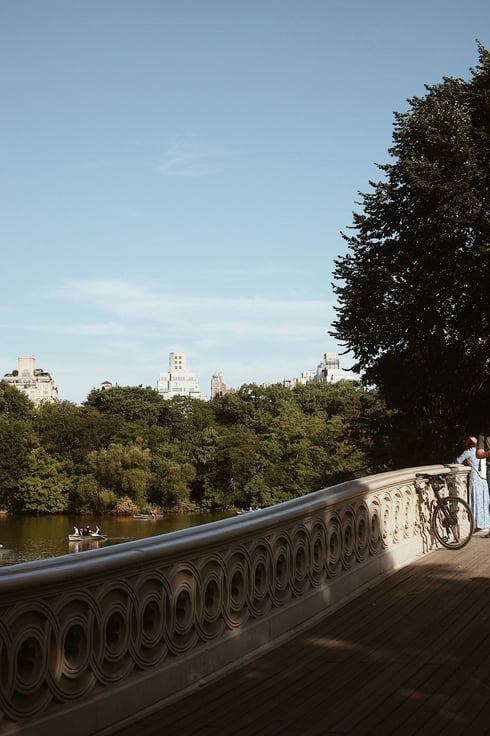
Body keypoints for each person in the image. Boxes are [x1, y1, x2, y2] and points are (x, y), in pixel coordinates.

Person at [455, 436, 490, 533]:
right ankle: (486, 524)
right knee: (485, 500)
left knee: (475, 500)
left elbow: (457, 461)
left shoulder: (468, 452)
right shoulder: (482, 451)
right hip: (483, 478)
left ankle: (476, 524)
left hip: (475, 477)